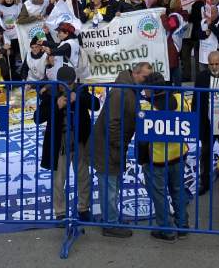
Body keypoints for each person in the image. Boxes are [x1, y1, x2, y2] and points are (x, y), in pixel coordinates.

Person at [90, 61, 152, 237]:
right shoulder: (121, 92)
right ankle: (109, 224)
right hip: (109, 146)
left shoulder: (129, 90)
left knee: (113, 184)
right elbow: (113, 123)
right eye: (145, 77)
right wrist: (118, 145)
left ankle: (112, 218)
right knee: (109, 185)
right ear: (135, 73)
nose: (146, 81)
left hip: (114, 145)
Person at [35, 65, 98, 222]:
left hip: (80, 141)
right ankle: (60, 212)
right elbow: (38, 117)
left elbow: (95, 104)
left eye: (70, 84)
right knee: (58, 181)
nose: (67, 87)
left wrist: (78, 97)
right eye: (65, 84)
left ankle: (83, 209)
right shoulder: (50, 94)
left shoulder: (81, 90)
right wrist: (56, 105)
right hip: (60, 143)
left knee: (83, 177)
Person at [137, 73, 191, 241]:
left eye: (146, 88)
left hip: (158, 160)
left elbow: (143, 139)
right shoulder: (181, 101)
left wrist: (142, 159)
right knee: (178, 190)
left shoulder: (147, 110)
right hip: (179, 154)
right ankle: (182, 226)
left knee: (159, 195)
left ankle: (166, 229)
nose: (143, 91)